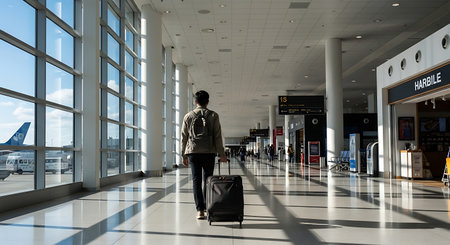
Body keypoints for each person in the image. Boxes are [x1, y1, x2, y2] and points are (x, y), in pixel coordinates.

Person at [181, 90, 227, 220]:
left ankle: (200, 210)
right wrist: (222, 154)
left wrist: (183, 155)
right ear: (207, 101)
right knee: (208, 180)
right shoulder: (213, 116)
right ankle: (208, 207)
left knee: (196, 180)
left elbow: (184, 137)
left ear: (195, 101)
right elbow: (218, 137)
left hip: (193, 153)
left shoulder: (188, 116)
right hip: (209, 152)